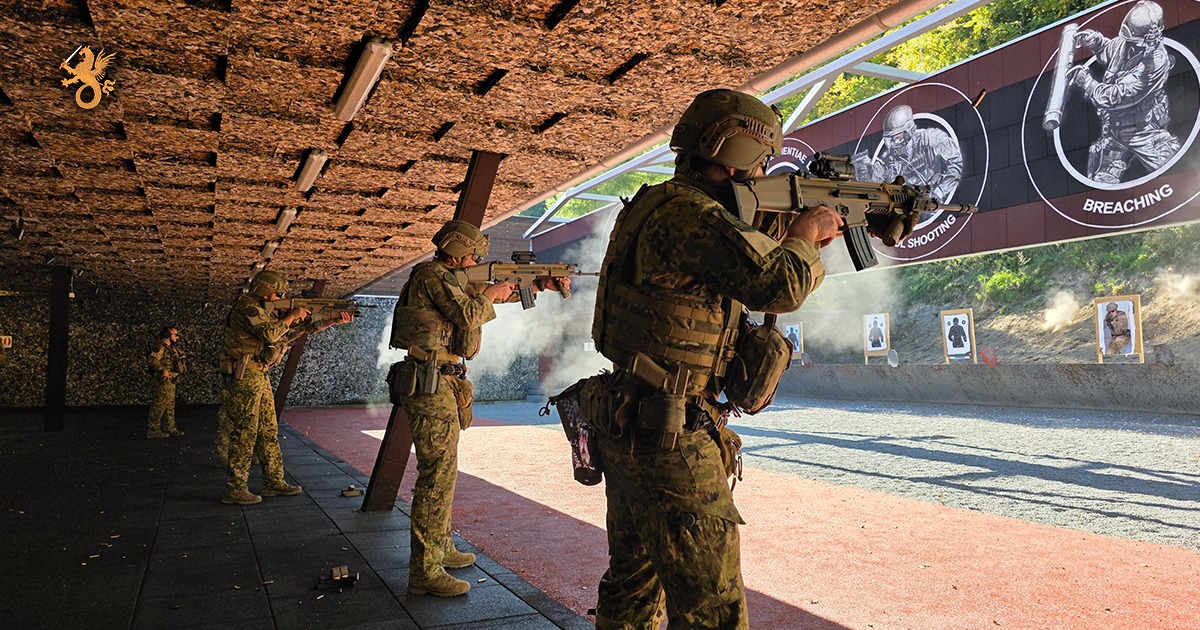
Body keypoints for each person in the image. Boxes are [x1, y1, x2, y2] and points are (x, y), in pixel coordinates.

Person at [589, 88, 910, 628]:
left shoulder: (661, 205)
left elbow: (742, 245)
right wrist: (808, 234)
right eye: (760, 161)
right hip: (673, 432)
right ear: (735, 152)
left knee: (634, 581)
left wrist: (853, 219)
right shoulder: (691, 216)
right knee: (712, 607)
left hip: (630, 417)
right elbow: (777, 284)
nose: (762, 171)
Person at [389, 220, 569, 597]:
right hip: (429, 380)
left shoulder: (450, 278)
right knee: (436, 475)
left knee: (444, 472)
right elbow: (470, 313)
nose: (476, 259)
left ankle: (439, 548)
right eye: (472, 253)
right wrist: (491, 294)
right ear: (455, 249)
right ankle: (424, 570)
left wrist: (536, 285)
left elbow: (480, 298)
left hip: (442, 381)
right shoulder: (432, 276)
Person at [218, 270, 353, 505]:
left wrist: (329, 321)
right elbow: (271, 334)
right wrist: (292, 315)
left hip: (259, 375)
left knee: (268, 430)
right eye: (275, 292)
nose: (277, 296)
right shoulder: (246, 308)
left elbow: (287, 335)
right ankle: (235, 488)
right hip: (244, 377)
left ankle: (273, 481)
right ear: (263, 289)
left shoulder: (261, 310)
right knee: (245, 433)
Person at [1069, 1, 1179, 184]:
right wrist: (1095, 42)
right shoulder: (1125, 42)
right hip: (1114, 132)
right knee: (1101, 184)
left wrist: (1087, 82)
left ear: (1150, 38)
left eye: (1134, 42)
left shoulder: (1156, 62)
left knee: (1176, 175)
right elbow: (1109, 51)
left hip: (1145, 132)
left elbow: (1116, 96)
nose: (1128, 45)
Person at [852, 104, 963, 204]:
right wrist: (863, 168)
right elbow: (879, 182)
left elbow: (956, 163)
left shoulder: (932, 138)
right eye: (888, 139)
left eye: (896, 138)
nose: (892, 144)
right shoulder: (890, 160)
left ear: (908, 131)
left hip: (936, 202)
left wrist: (939, 191)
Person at [146, 325, 186, 439]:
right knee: (159, 404)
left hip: (171, 380)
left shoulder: (171, 348)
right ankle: (153, 430)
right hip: (163, 380)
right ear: (168, 335)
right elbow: (152, 359)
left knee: (169, 405)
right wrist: (163, 370)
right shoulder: (160, 346)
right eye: (175, 334)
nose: (177, 337)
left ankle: (170, 427)